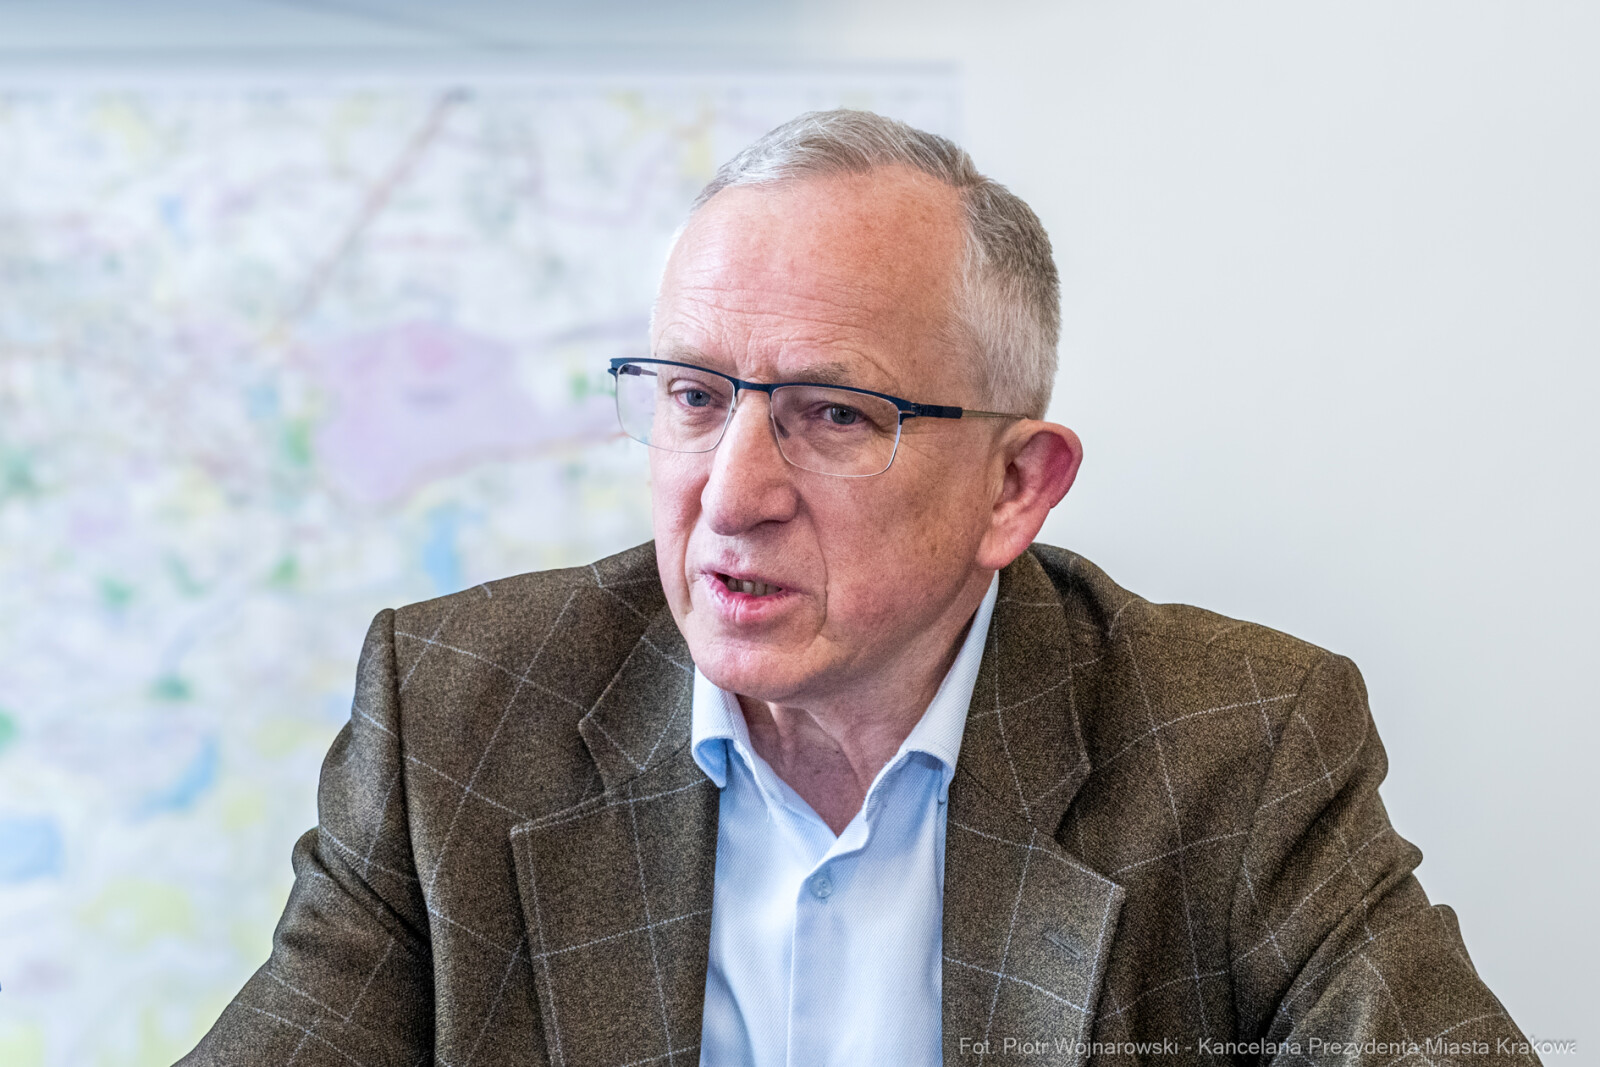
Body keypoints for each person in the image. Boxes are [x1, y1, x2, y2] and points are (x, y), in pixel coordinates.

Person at [179, 110, 1537, 1066]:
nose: (731, 494)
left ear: (1016, 488)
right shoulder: (460, 720)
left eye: (832, 414)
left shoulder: (1236, 747)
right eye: (694, 397)